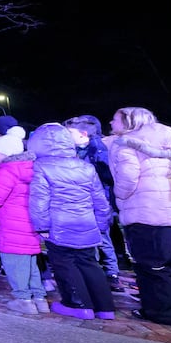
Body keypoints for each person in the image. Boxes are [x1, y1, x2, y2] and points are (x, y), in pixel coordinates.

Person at [105, 107, 171, 326]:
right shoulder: (163, 145)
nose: (111, 123)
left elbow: (127, 179)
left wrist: (119, 196)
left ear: (130, 123)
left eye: (115, 119)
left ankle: (164, 311)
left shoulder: (125, 145)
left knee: (152, 265)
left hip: (146, 212)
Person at [27, 123, 116, 320]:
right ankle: (105, 307)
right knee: (89, 263)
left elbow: (39, 200)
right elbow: (100, 199)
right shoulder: (85, 167)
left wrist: (41, 226)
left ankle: (78, 304)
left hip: (59, 225)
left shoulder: (41, 167)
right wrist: (102, 223)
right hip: (86, 223)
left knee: (65, 264)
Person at [0, 131, 48, 314]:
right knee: (30, 262)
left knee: (14, 262)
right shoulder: (32, 168)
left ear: (5, 151)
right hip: (30, 222)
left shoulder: (6, 171)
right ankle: (39, 299)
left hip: (11, 223)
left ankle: (23, 300)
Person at [64, 114, 125, 290]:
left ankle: (111, 273)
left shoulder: (98, 150)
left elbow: (108, 177)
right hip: (83, 199)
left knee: (102, 236)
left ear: (83, 134)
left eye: (70, 133)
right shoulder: (77, 149)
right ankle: (94, 270)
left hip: (98, 200)